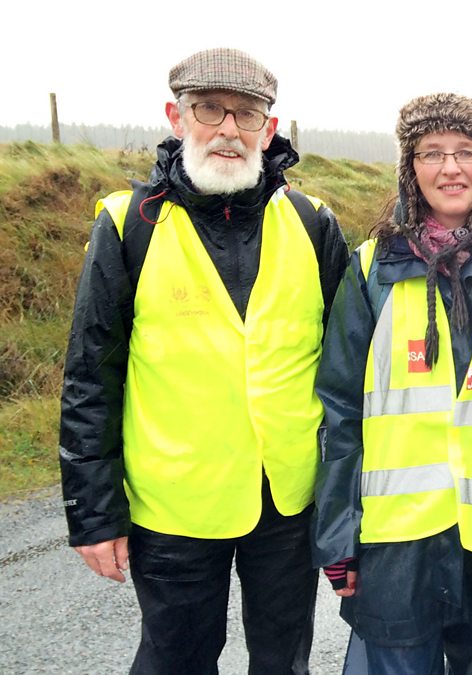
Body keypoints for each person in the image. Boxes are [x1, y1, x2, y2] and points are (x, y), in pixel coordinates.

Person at [57, 47, 348, 673]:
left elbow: (349, 371)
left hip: (287, 501)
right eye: (208, 109)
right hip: (174, 505)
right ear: (176, 116)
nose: (227, 129)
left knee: (283, 662)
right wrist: (92, 512)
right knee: (176, 661)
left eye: (247, 115)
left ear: (270, 131)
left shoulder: (312, 222)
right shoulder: (127, 223)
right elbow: (91, 377)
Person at [312, 92, 472, 674]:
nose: (450, 168)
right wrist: (337, 535)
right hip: (396, 548)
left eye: (466, 151)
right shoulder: (372, 268)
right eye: (431, 152)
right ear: (410, 166)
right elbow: (339, 410)